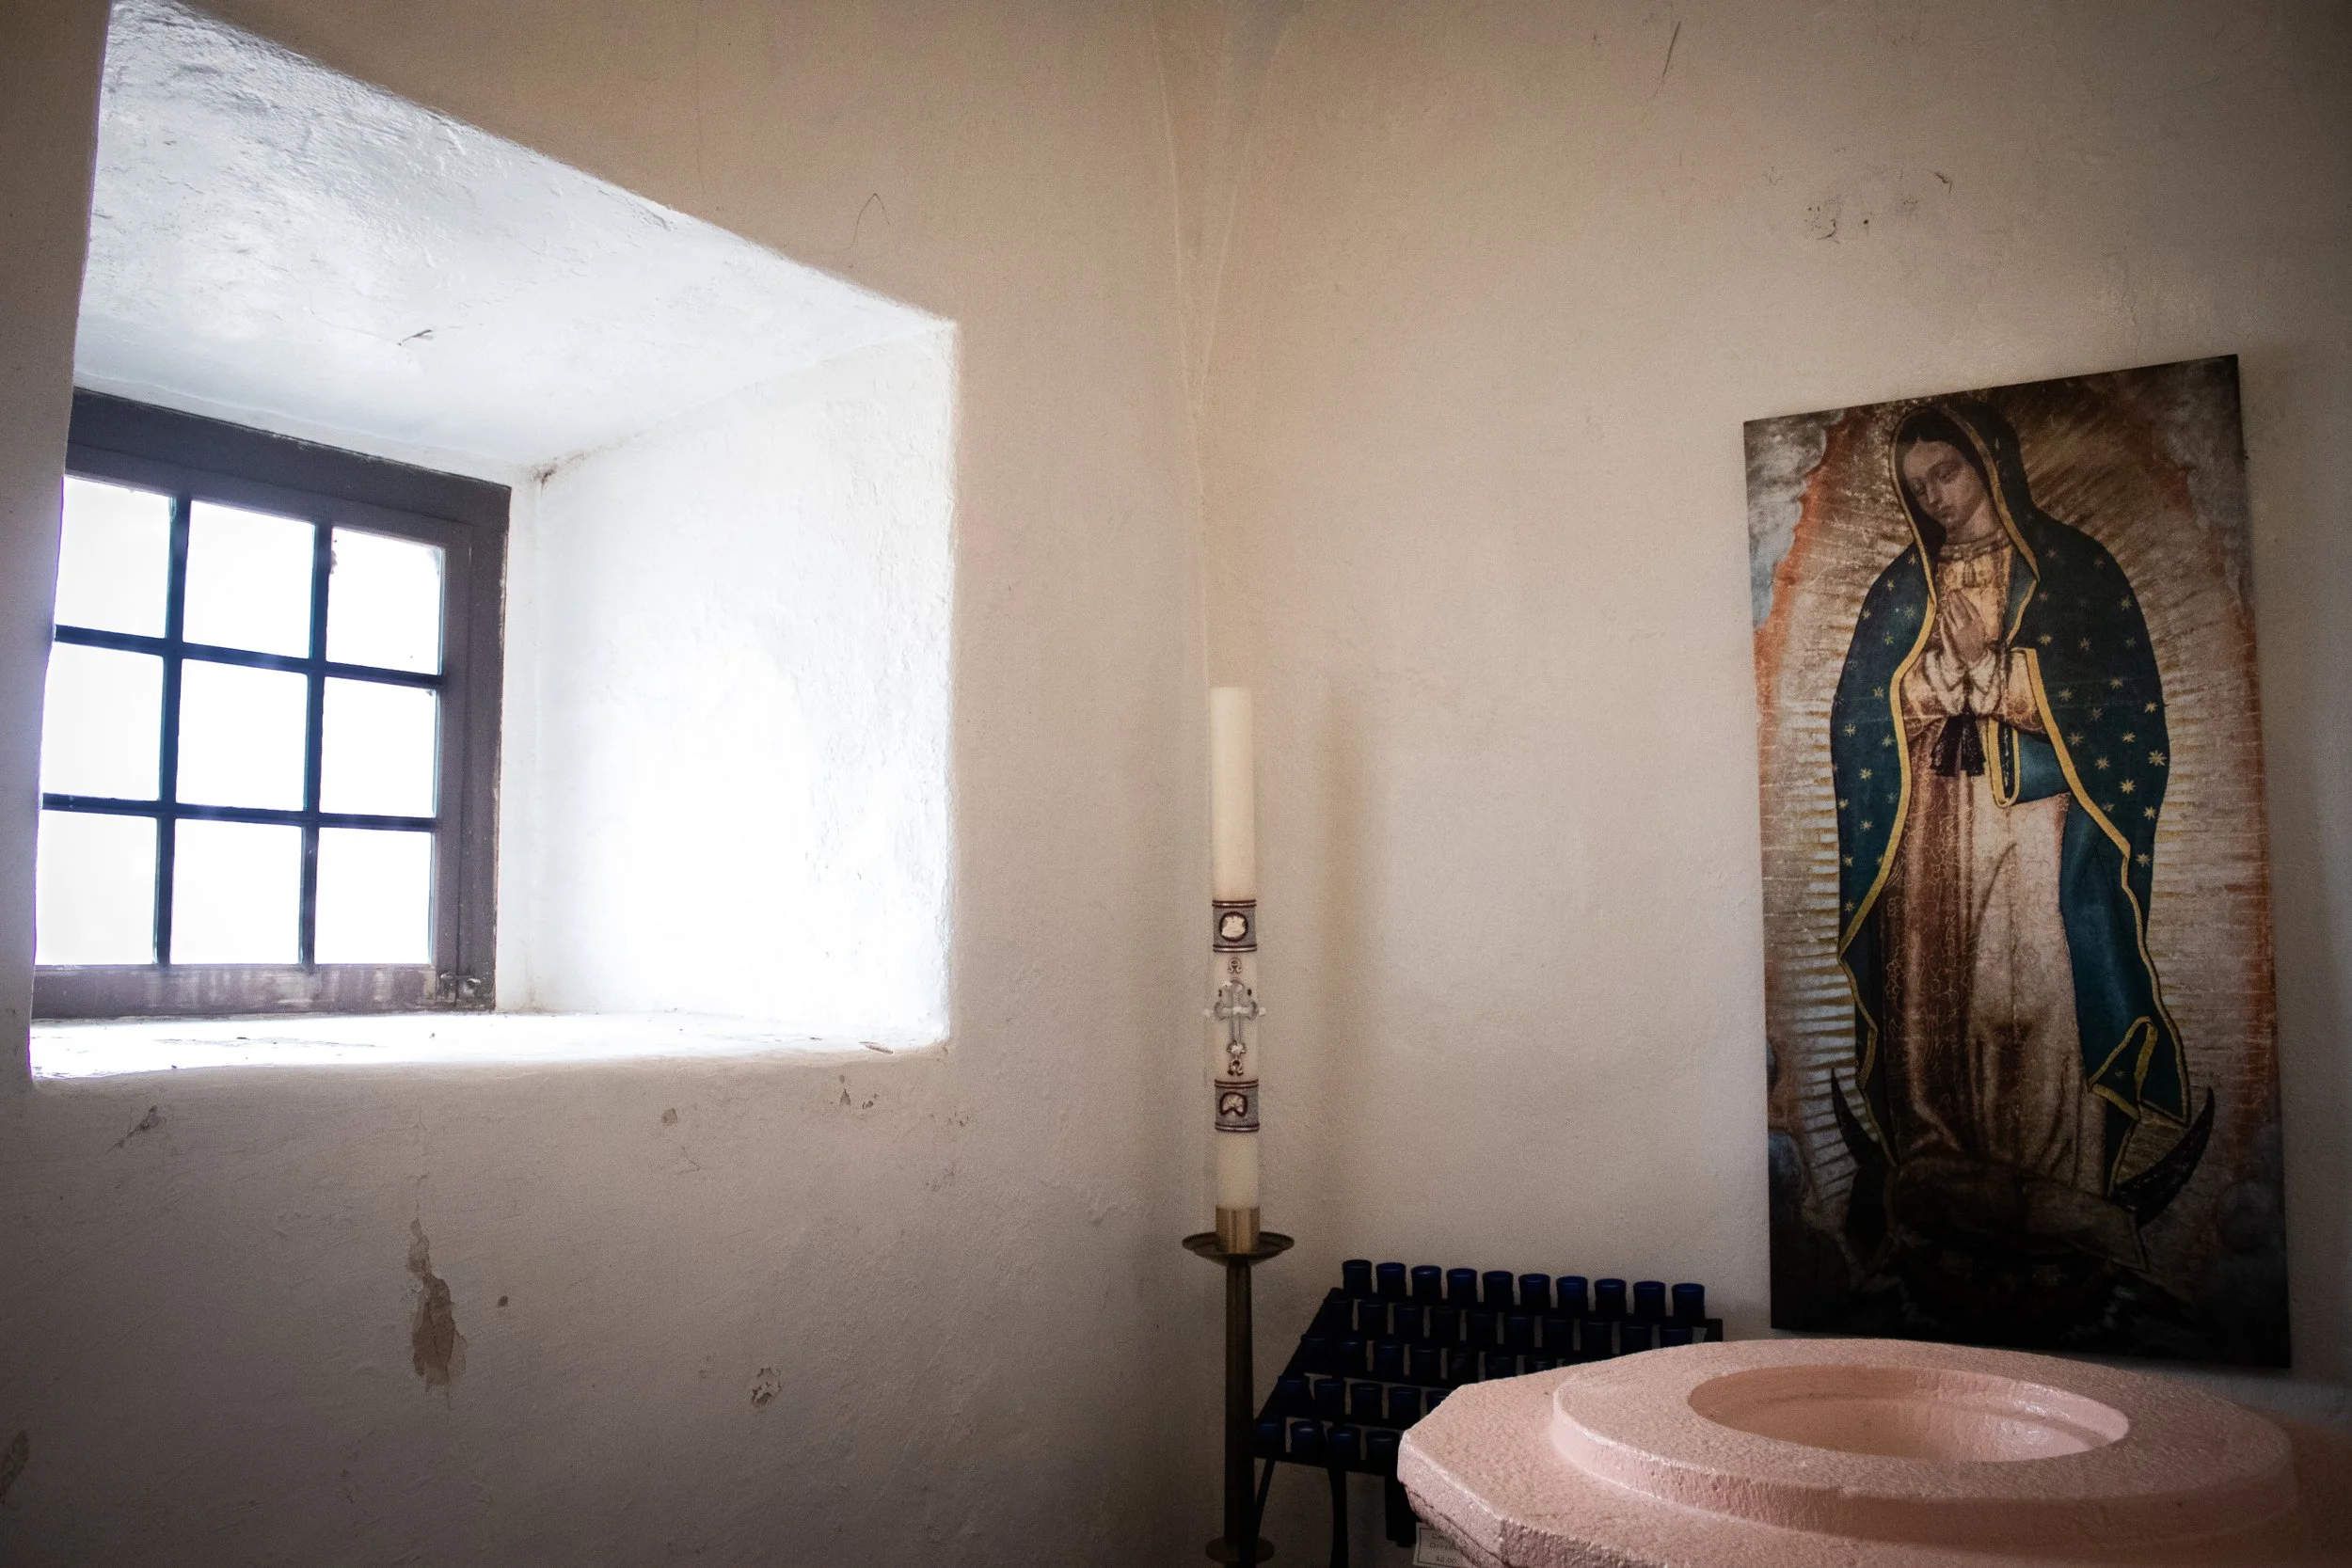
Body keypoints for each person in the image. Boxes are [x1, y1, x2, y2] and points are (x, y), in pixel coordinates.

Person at [1829, 400, 2189, 1273]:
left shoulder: (2070, 570)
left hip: (2031, 826)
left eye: (1946, 473)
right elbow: (1858, 718)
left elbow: (2118, 708)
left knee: (2024, 995)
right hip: (1928, 829)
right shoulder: (1901, 587)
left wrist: (1999, 672)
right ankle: (1940, 1168)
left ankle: (2053, 1181)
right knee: (1933, 1004)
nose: (1937, 499)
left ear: (1987, 459)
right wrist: (1927, 685)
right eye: (1918, 488)